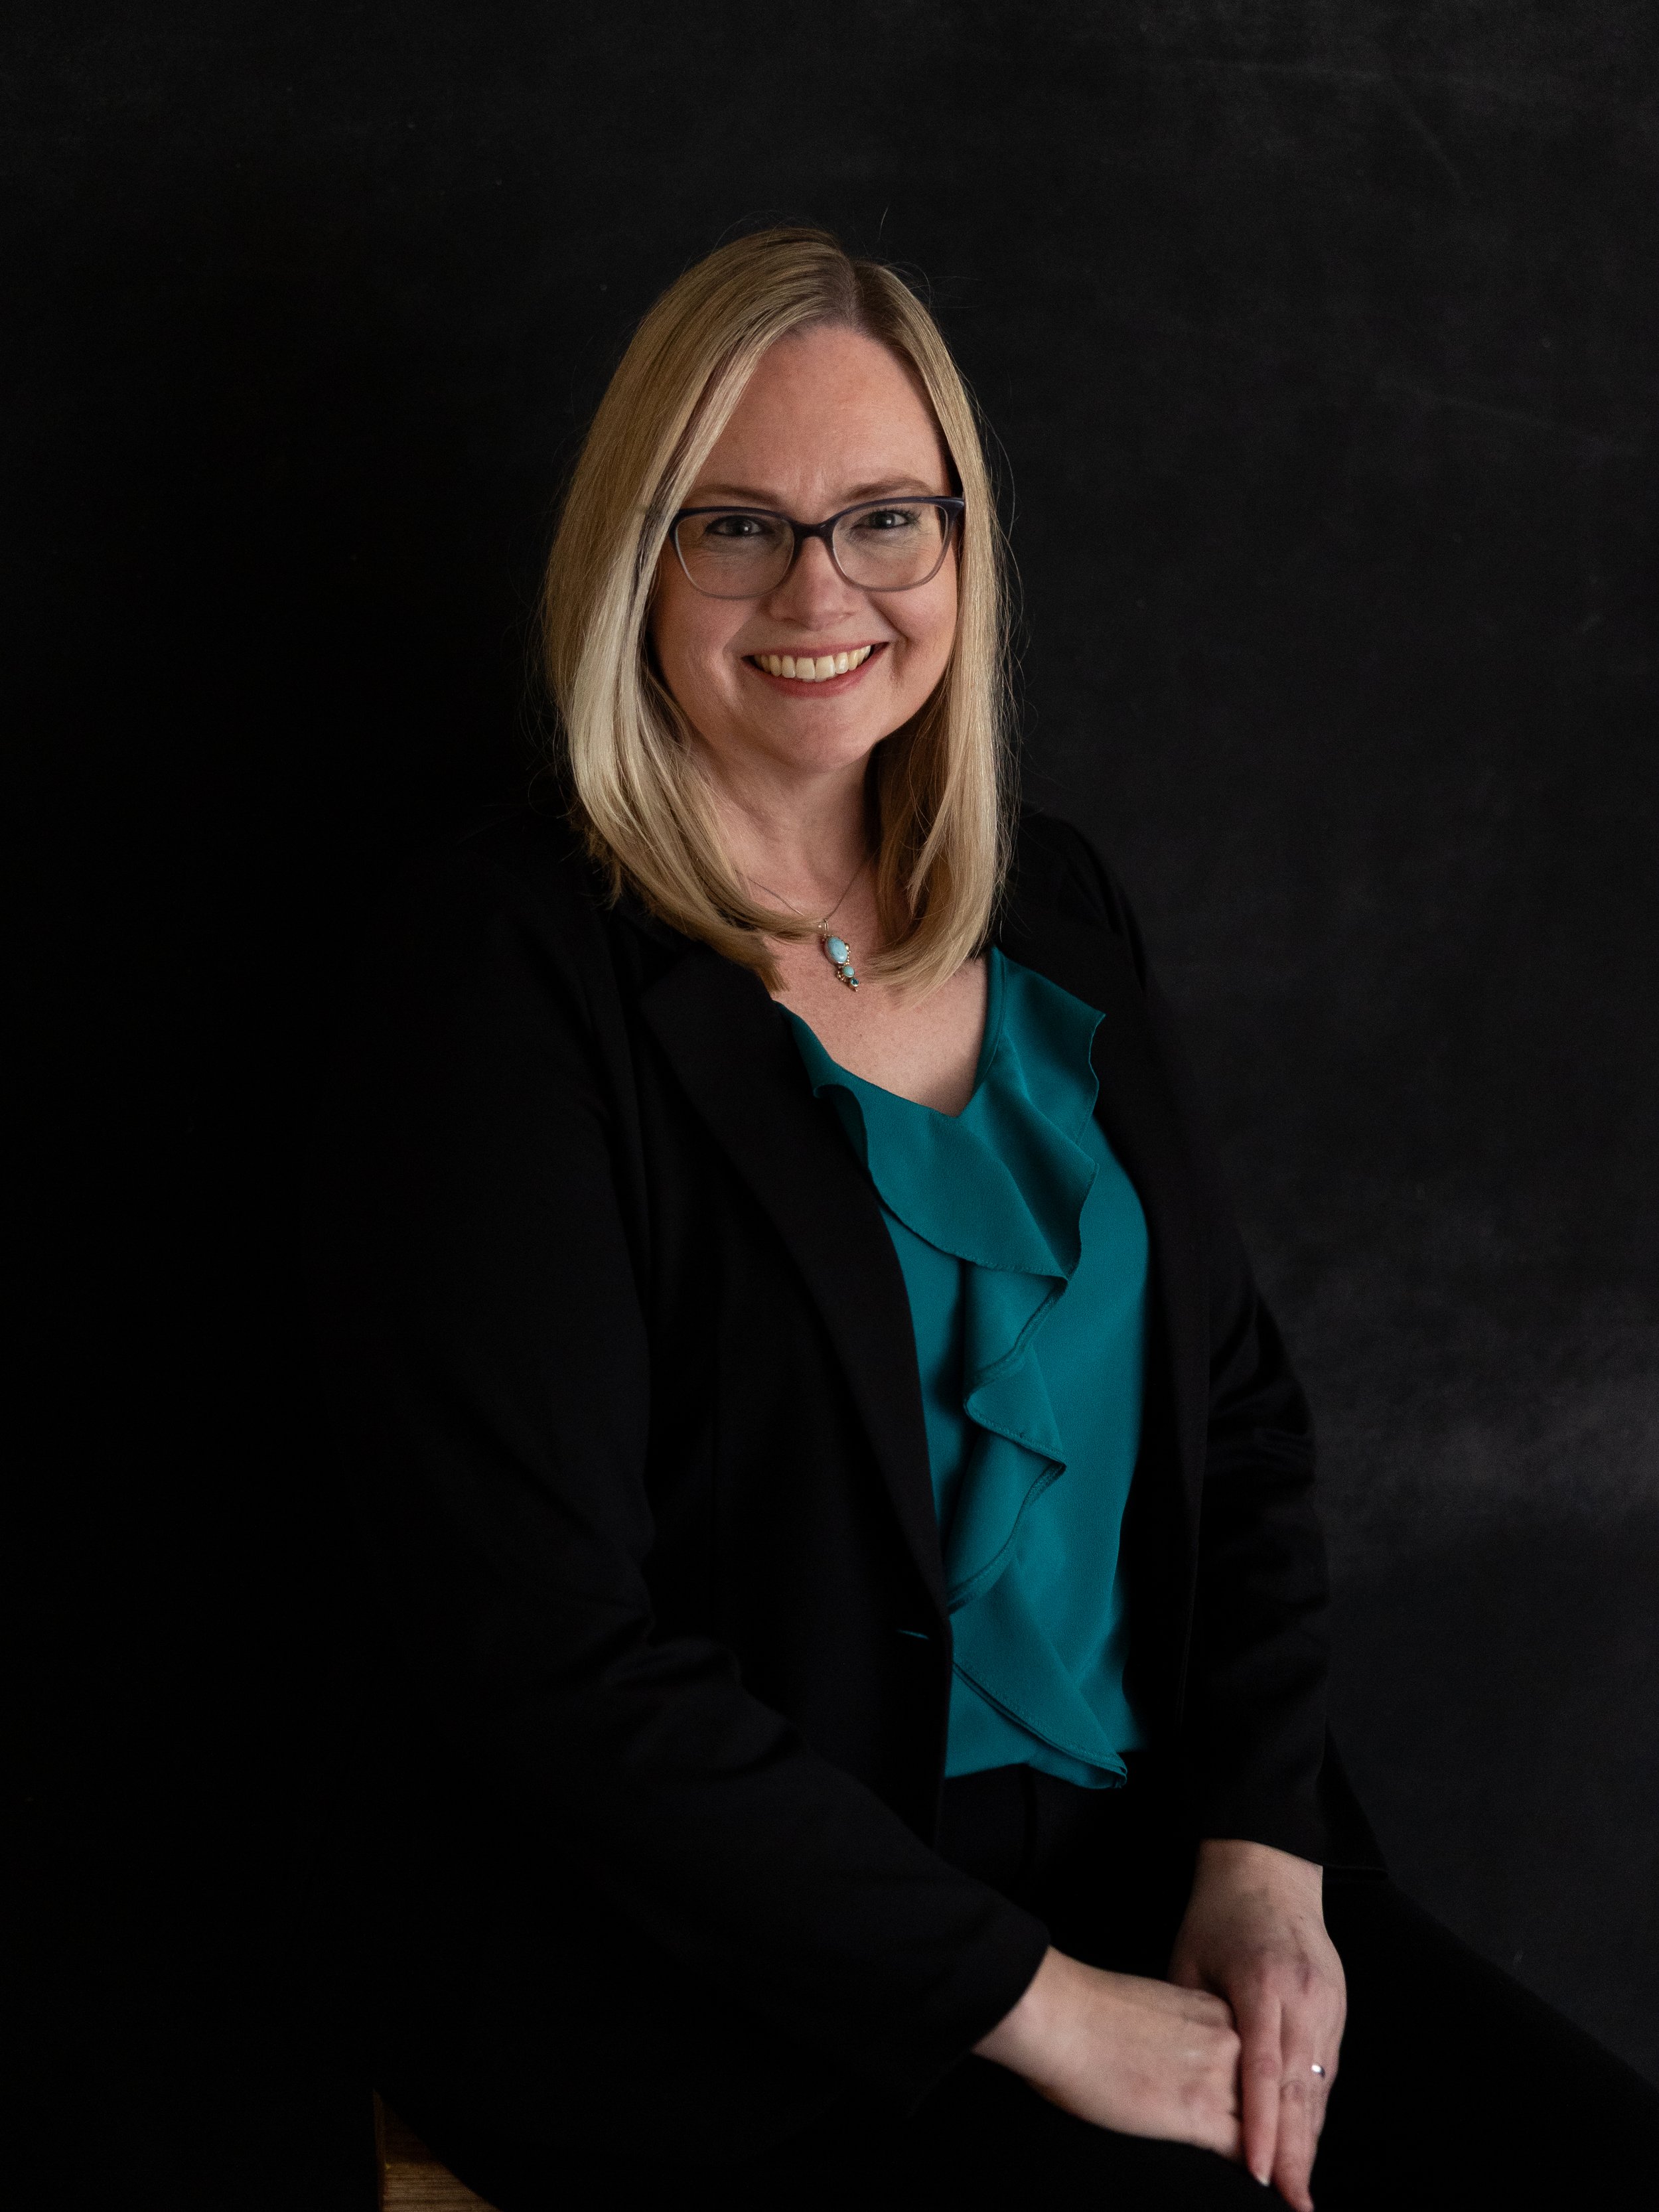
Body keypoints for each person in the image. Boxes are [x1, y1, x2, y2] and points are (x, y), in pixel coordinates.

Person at [309, 228, 1657, 2209]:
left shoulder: (1055, 902)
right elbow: (546, 1654)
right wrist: (1038, 2011)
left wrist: (1263, 1852)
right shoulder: (506, 971)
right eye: (736, 527)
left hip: (1147, 1881)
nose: (821, 592)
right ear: (632, 561)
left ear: (960, 542)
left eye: (884, 518)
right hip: (730, 1990)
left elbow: (1237, 1421)